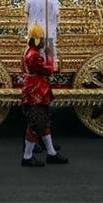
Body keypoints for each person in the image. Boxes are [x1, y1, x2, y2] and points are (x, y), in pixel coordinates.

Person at [21, 22, 69, 167]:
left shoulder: (29, 52)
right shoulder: (34, 55)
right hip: (36, 92)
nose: (43, 41)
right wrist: (49, 55)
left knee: (44, 123)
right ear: (36, 40)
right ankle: (27, 157)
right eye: (41, 39)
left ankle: (51, 153)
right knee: (36, 124)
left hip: (36, 90)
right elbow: (49, 70)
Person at [24, 0, 60, 68]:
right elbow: (57, 16)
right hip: (49, 33)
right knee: (49, 56)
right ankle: (51, 68)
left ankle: (32, 68)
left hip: (34, 32)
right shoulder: (53, 0)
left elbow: (26, 15)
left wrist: (28, 27)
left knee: (33, 54)